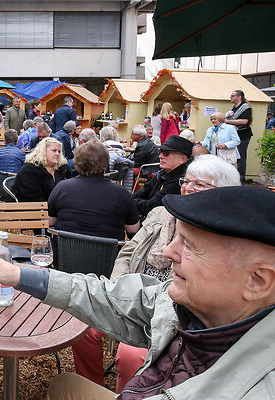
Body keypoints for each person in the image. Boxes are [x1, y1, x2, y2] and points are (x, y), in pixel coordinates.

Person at [0, 185, 275, 400]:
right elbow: (107, 297)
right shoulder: (189, 306)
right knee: (63, 385)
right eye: (176, 238)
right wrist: (18, 274)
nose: (169, 251)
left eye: (190, 246)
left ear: (257, 281)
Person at [72, 155, 241, 392]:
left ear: (224, 192)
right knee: (84, 324)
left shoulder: (222, 234)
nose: (188, 188)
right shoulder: (161, 213)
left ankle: (131, 394)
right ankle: (92, 388)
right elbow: (128, 252)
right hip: (135, 294)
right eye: (186, 181)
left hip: (172, 312)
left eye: (199, 184)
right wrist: (116, 290)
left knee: (131, 356)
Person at [48, 140, 139, 240]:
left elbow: (50, 221)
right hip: (107, 254)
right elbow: (133, 229)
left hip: (64, 252)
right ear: (105, 162)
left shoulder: (62, 188)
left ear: (77, 161)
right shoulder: (121, 193)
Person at [133, 135, 192, 217]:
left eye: (166, 153)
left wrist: (128, 202)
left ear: (183, 159)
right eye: (160, 152)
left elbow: (151, 207)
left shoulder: (180, 181)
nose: (160, 156)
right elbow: (144, 191)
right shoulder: (164, 173)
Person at [12, 137, 71, 202]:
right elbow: (34, 200)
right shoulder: (29, 170)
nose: (57, 154)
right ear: (43, 151)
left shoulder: (62, 168)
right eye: (54, 150)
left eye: (59, 151)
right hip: (32, 209)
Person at [226, 89, 253, 182]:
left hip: (243, 135)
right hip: (234, 136)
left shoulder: (246, 107)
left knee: (241, 158)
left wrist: (227, 121)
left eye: (232, 95)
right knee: (232, 157)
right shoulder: (234, 108)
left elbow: (244, 121)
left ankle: (241, 180)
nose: (230, 97)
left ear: (239, 97)